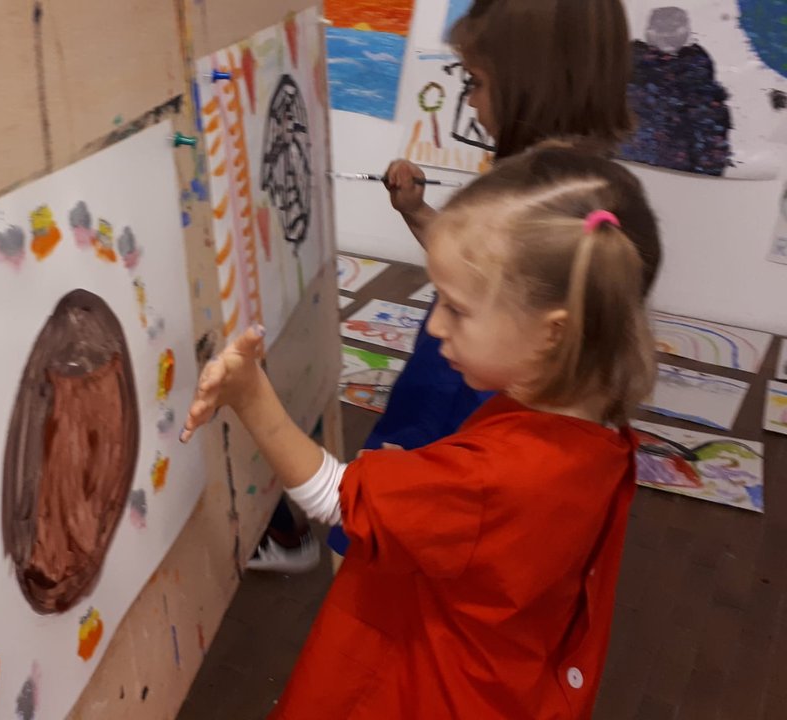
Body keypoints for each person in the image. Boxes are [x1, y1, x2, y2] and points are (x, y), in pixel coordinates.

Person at [181, 144, 662, 717]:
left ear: (552, 334)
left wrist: (251, 395)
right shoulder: (592, 427)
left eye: (456, 309)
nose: (434, 326)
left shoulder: (500, 476)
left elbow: (338, 498)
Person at [324, 0, 640, 557]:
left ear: (531, 83)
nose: (469, 100)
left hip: (468, 411)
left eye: (476, 82)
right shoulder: (546, 178)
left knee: (403, 530)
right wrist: (417, 213)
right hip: (451, 391)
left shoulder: (561, 206)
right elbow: (481, 275)